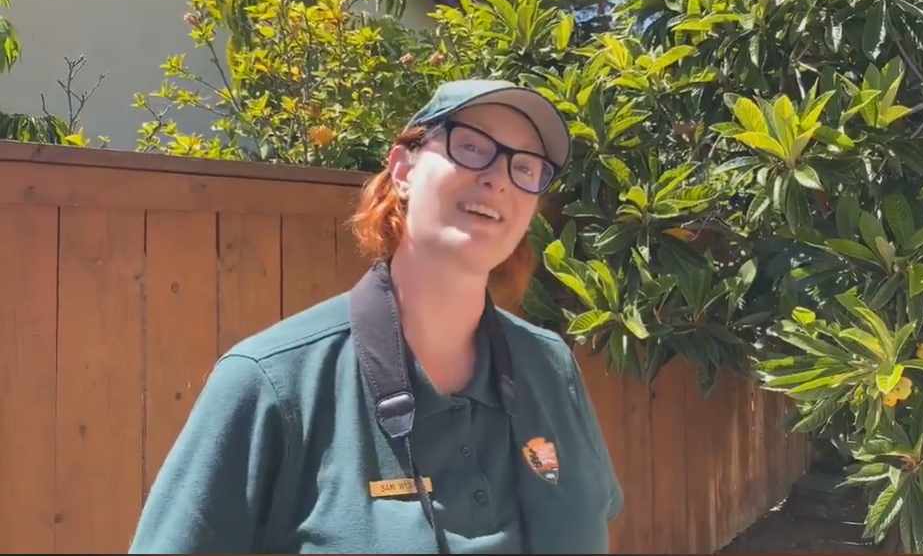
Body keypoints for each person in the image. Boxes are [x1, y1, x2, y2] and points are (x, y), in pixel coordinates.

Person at [128, 79, 623, 554]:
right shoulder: (272, 382)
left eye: (527, 166)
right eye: (472, 146)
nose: (497, 177)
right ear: (403, 171)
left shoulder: (552, 369)